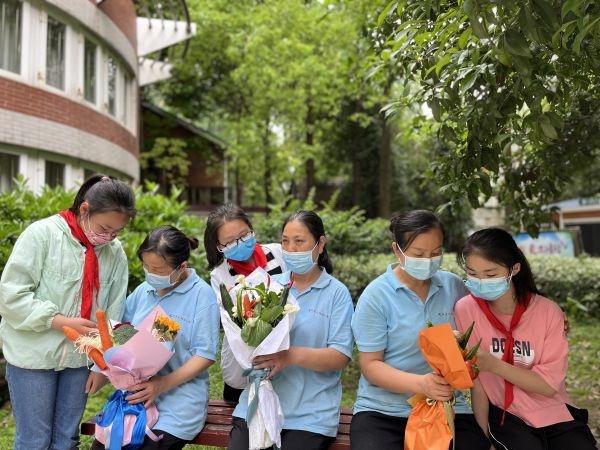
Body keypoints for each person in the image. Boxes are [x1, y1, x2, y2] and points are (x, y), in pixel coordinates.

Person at [0, 174, 135, 450]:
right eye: (104, 228)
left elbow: (114, 310)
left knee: (66, 440)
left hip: (80, 361)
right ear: (85, 210)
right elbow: (11, 296)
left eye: (116, 232)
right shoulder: (42, 235)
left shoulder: (114, 252)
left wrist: (102, 367)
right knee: (34, 441)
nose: (108, 237)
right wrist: (58, 321)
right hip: (32, 358)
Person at [350, 210, 489, 450]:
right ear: (397, 251)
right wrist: (421, 384)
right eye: (418, 254)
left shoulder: (453, 286)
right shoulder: (376, 296)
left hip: (447, 407)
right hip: (384, 411)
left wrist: (542, 310)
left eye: (435, 253)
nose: (428, 261)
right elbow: (371, 366)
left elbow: (490, 314)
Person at [454, 227, 597, 450]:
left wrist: (494, 365)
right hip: (504, 414)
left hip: (553, 411)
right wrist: (484, 437)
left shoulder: (548, 312)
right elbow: (478, 382)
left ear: (515, 268)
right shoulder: (466, 310)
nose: (481, 282)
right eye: (472, 273)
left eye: (490, 274)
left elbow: (549, 386)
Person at [228, 210, 354, 450]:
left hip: (309, 416)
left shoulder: (336, 294)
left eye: (299, 241)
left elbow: (339, 356)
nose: (291, 249)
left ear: (320, 244)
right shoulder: (267, 285)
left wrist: (288, 356)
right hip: (257, 405)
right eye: (285, 241)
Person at [91, 225, 221, 450]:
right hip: (135, 398)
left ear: (182, 267)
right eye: (146, 266)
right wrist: (102, 367)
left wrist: (161, 385)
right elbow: (123, 331)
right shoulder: (144, 290)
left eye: (158, 269)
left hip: (178, 404)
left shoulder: (202, 296)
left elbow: (205, 355)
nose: (150, 274)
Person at [204, 203, 285, 403]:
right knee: (239, 410)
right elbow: (231, 320)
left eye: (244, 235)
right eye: (230, 242)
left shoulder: (277, 253)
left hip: (283, 354)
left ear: (251, 228)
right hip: (242, 360)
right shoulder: (220, 275)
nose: (240, 244)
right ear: (219, 246)